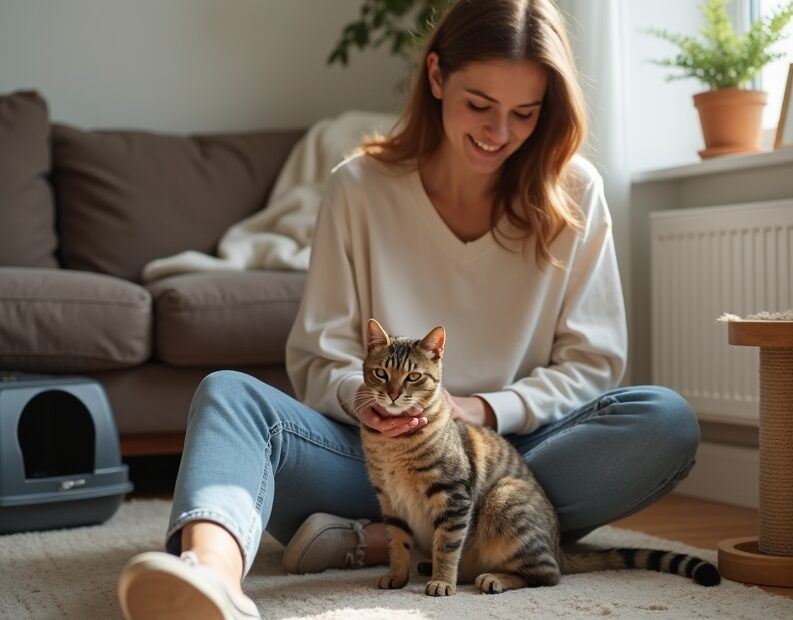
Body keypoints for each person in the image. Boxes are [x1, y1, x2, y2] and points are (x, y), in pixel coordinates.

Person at [117, 1, 700, 618]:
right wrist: (368, 405)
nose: (498, 132)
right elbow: (319, 357)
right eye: (479, 104)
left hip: (513, 465)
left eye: (524, 114)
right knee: (229, 396)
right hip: (371, 463)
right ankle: (209, 579)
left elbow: (593, 363)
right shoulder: (358, 187)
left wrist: (480, 409)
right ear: (436, 76)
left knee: (663, 421)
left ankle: (382, 544)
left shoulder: (574, 192)